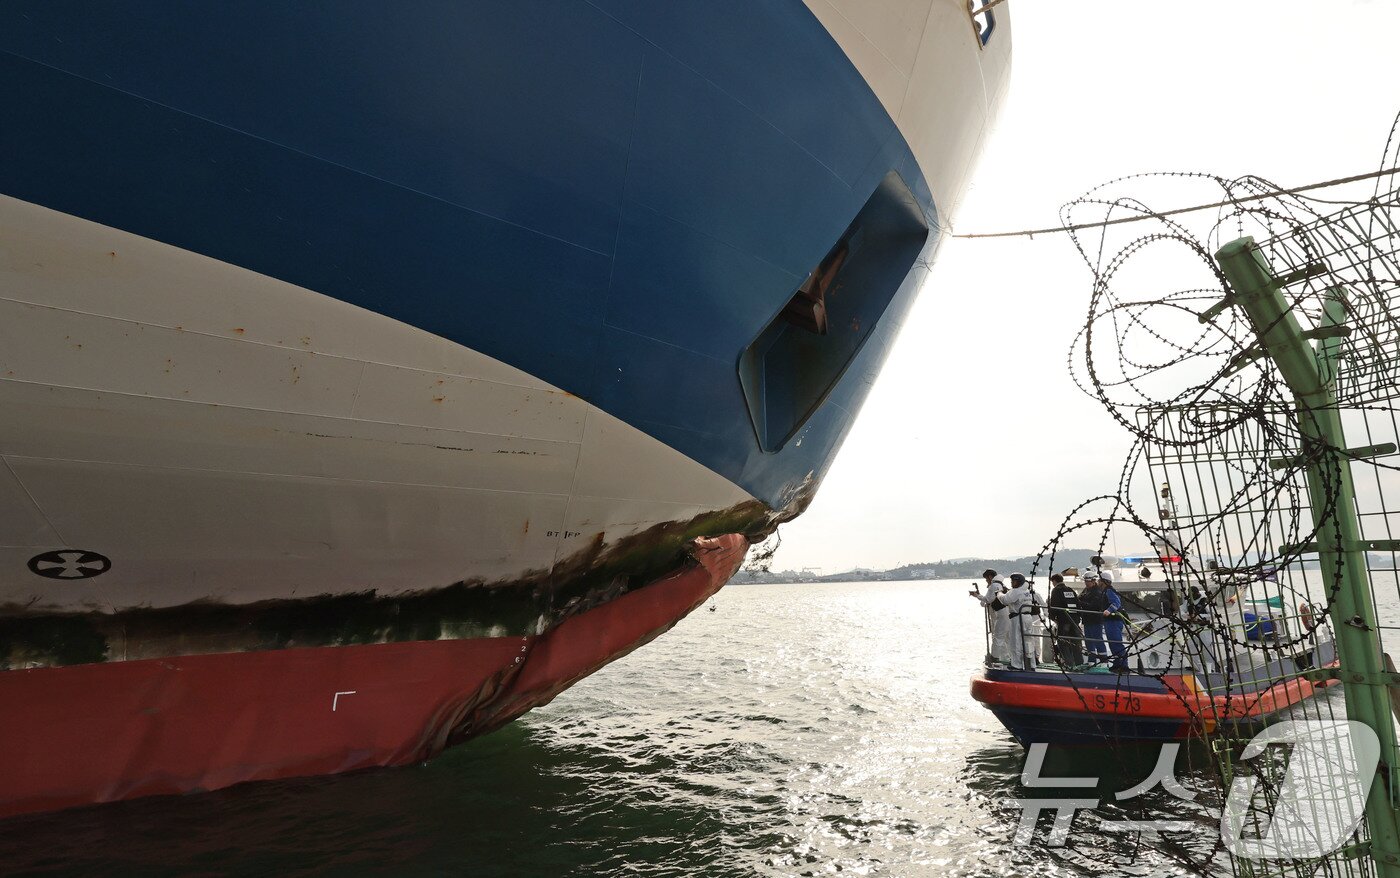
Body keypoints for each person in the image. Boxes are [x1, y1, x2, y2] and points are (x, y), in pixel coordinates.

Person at [1001, 573, 1041, 670]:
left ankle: (1017, 665)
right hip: (1028, 617)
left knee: (1016, 641)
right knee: (1029, 641)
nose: (1012, 583)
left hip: (1017, 618)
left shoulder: (1016, 591)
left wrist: (999, 594)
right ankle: (1031, 664)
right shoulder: (1027, 591)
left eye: (1014, 581)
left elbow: (1005, 600)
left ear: (1019, 582)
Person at [969, 569, 1010, 664]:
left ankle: (996, 658)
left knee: (998, 636)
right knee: (1006, 637)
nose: (986, 581)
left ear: (990, 577)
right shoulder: (1001, 585)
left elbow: (987, 600)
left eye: (986, 579)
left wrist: (977, 595)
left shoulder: (994, 586)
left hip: (1000, 614)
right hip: (1006, 613)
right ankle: (1007, 657)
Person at [1046, 574, 1083, 667]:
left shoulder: (1056, 590)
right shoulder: (1070, 590)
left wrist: (1052, 617)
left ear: (1054, 581)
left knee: (1062, 642)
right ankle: (1079, 663)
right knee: (1075, 642)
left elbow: (1054, 605)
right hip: (1074, 620)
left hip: (1064, 620)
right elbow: (1078, 604)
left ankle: (1068, 663)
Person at [1097, 570, 1130, 673]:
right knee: (1112, 643)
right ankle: (1117, 664)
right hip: (1109, 621)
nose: (1098, 582)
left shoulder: (1109, 591)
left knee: (1116, 643)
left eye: (1099, 581)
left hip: (1114, 621)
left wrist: (1109, 610)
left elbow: (1116, 602)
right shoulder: (1105, 591)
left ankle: (1124, 665)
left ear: (1104, 581)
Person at [1077, 572, 1108, 663]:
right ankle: (1091, 661)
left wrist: (1080, 603)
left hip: (1095, 620)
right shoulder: (1086, 590)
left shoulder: (1097, 592)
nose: (1086, 583)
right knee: (1088, 641)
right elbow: (1080, 598)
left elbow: (1094, 606)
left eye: (1088, 581)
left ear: (1094, 581)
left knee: (1098, 640)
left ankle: (1103, 662)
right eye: (1085, 581)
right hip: (1087, 620)